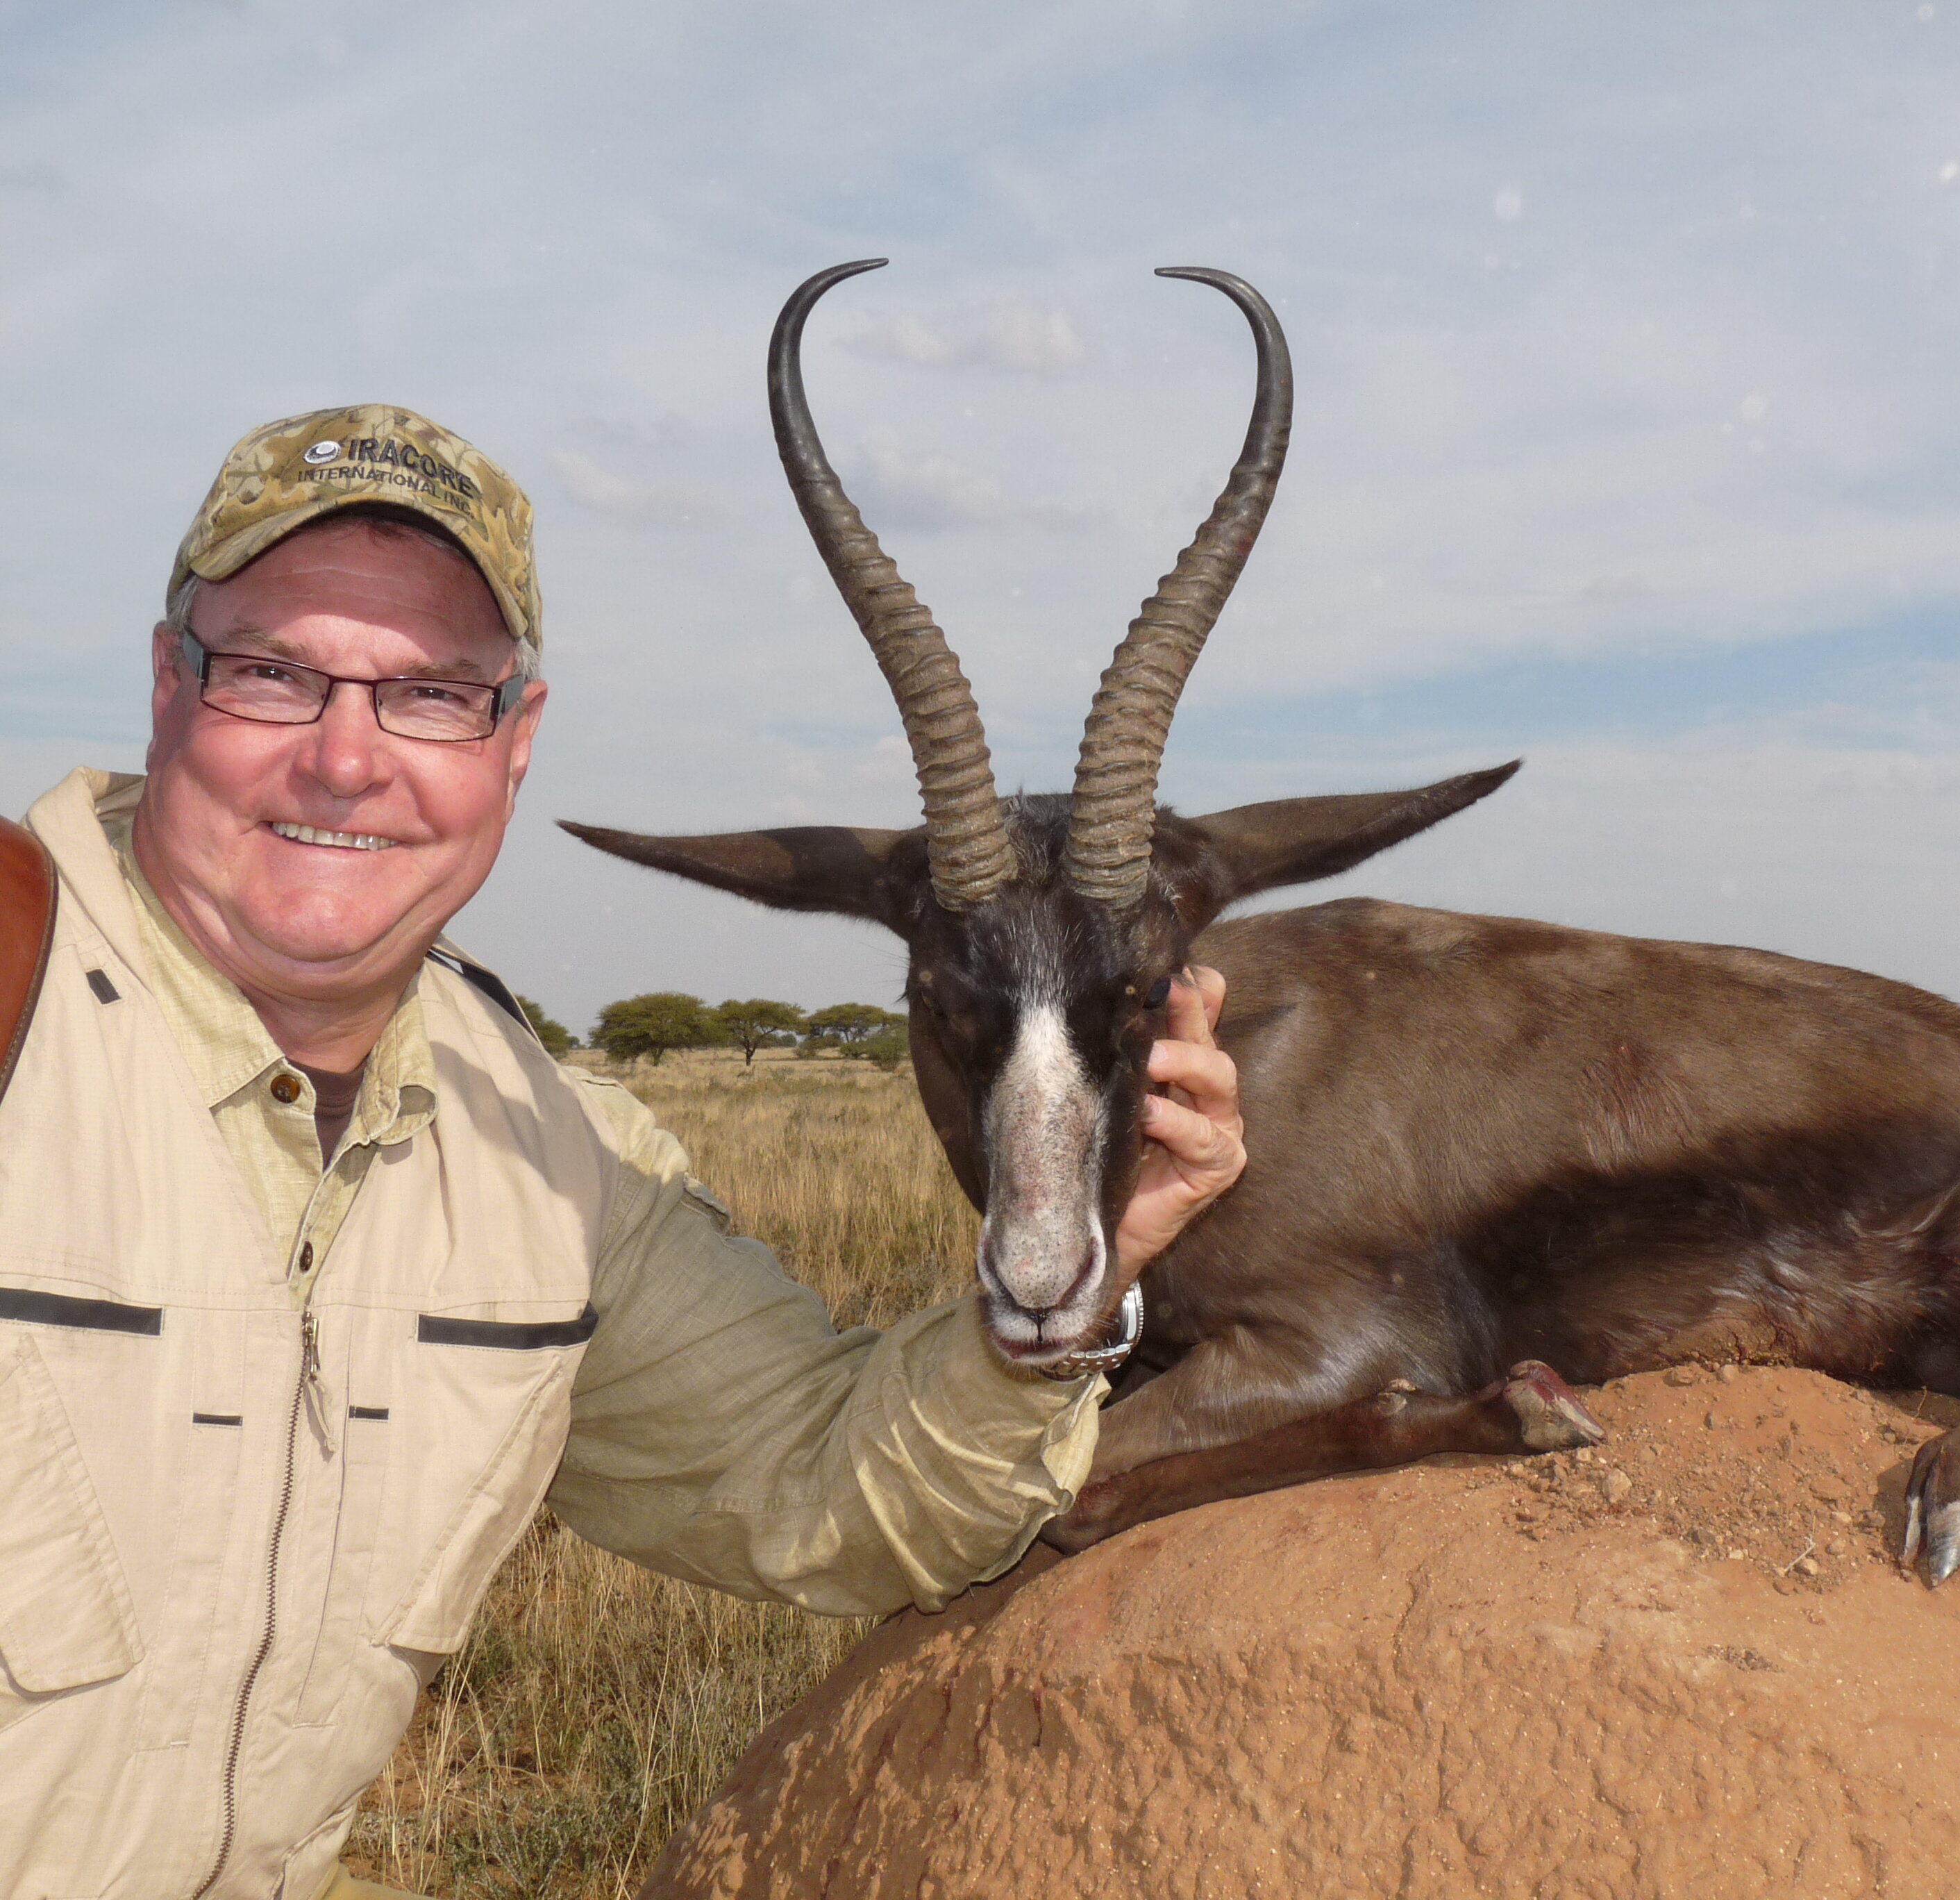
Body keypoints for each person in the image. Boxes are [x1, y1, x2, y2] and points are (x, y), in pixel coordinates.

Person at [0, 406, 1246, 1900]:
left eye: (432, 695)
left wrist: (1090, 1282)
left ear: (513, 746)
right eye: (273, 672)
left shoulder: (555, 1158)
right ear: (165, 683)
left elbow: (821, 1491)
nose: (346, 759)